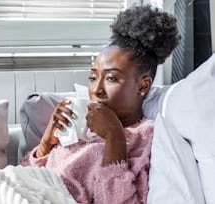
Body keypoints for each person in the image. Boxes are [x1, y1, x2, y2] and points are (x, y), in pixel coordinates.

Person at [21, 5, 179, 204]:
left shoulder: (146, 138)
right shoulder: (82, 128)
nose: (96, 90)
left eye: (111, 78)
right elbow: (27, 177)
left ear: (143, 85)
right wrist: (45, 145)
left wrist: (115, 138)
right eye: (93, 77)